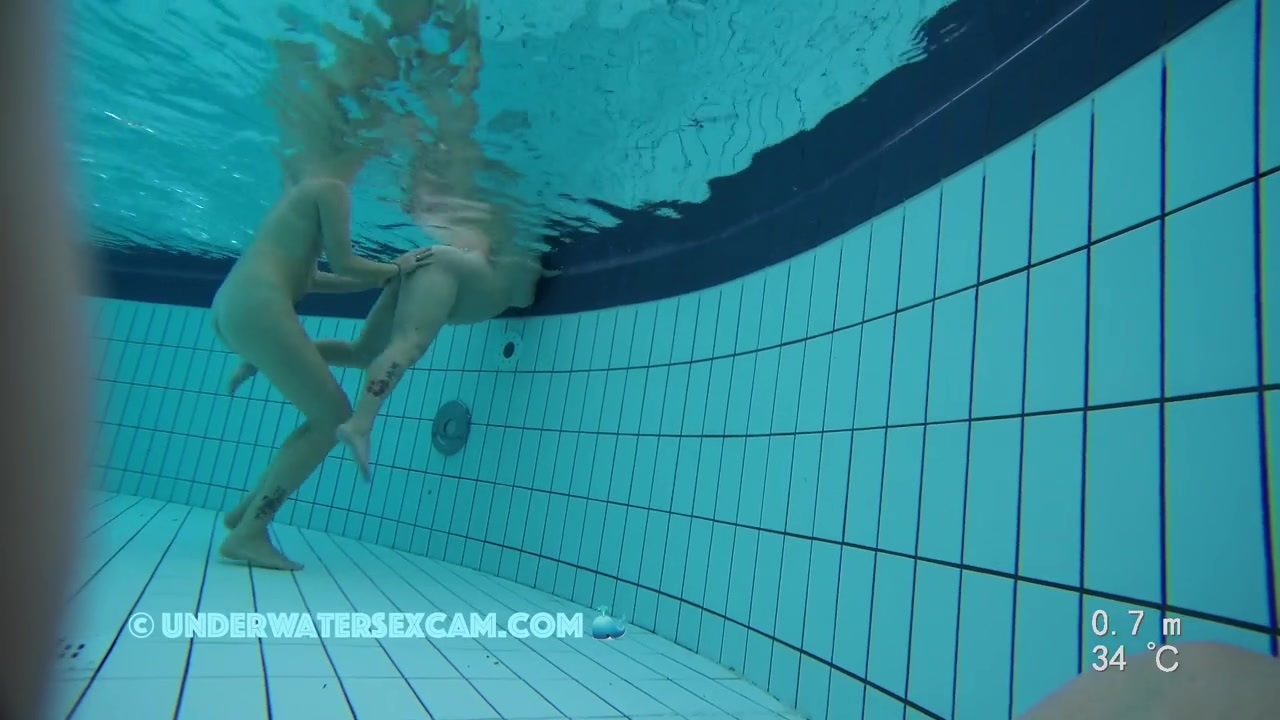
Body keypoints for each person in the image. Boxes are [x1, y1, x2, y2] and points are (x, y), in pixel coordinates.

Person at [227, 4, 552, 481]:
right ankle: (360, 423)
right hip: (444, 268)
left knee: (364, 352)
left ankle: (267, 357)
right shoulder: (517, 253)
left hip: (428, 265)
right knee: (408, 344)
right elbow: (522, 291)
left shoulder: (501, 246)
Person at [213, 13, 439, 571]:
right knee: (333, 417)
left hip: (237, 305)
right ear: (357, 141)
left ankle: (245, 513)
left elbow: (312, 278)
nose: (382, 154)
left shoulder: (305, 187)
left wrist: (386, 276)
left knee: (322, 412)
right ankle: (251, 532)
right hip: (259, 306)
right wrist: (392, 268)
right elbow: (344, 264)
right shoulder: (332, 188)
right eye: (379, 143)